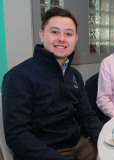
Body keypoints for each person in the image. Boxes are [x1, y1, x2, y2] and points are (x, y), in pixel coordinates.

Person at [1, 7, 102, 160]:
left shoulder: (74, 75)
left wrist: (102, 142)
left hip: (79, 145)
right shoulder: (19, 77)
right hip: (44, 151)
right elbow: (17, 136)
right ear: (42, 35)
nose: (61, 38)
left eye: (68, 34)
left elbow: (87, 116)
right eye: (54, 32)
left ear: (75, 39)